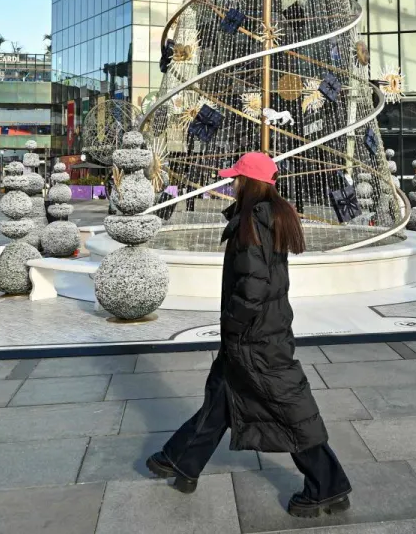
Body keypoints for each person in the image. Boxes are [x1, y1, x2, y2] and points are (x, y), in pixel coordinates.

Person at [148, 153, 351, 519]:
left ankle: (328, 486)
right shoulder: (272, 215)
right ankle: (180, 460)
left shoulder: (253, 222)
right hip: (263, 332)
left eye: (237, 179)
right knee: (221, 397)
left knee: (289, 410)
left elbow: (254, 286)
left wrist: (236, 329)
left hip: (255, 339)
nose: (232, 185)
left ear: (249, 183)